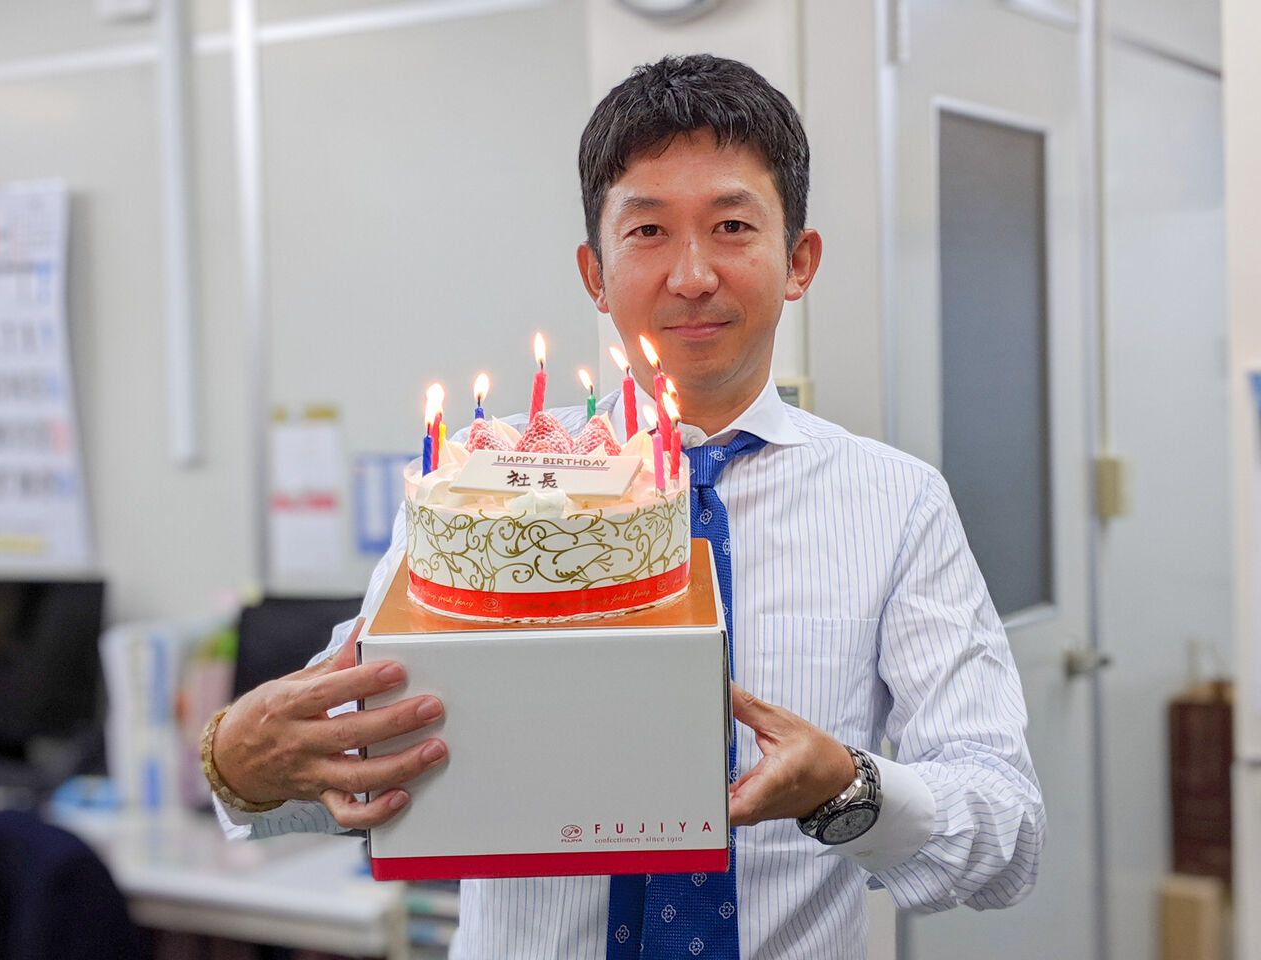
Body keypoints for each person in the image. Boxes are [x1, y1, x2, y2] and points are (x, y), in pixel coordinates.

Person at [206, 54, 1044, 959]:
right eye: (647, 231)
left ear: (799, 260)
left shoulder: (896, 505)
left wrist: (845, 788)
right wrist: (239, 766)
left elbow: (1007, 836)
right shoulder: (478, 485)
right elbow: (352, 757)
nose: (692, 275)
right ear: (595, 274)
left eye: (731, 225)